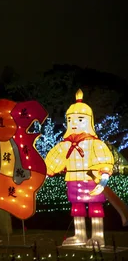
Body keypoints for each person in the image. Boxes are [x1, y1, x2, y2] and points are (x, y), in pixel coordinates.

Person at [45, 89, 114, 247]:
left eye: (80, 119)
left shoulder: (95, 143)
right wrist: (43, 174)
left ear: (89, 121)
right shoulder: (64, 145)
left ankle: (98, 236)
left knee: (95, 207)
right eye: (70, 120)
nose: (74, 123)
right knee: (77, 208)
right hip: (73, 180)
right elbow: (52, 163)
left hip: (91, 180)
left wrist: (102, 182)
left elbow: (104, 161)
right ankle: (80, 235)